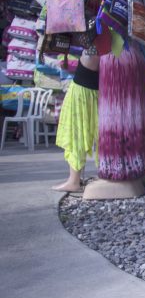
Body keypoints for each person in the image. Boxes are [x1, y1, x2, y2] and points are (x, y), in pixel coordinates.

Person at [52, 51, 99, 193]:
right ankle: (76, 179)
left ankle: (73, 181)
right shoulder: (112, 39)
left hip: (82, 92)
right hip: (90, 90)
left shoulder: (101, 37)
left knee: (75, 135)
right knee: (86, 134)